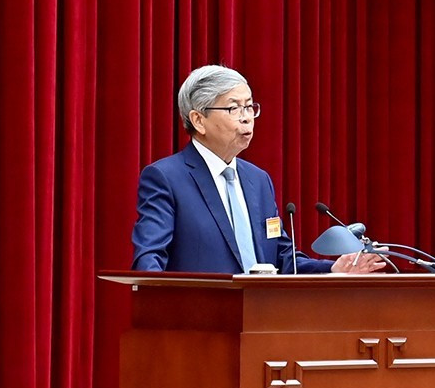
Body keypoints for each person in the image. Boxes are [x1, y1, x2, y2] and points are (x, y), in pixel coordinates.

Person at [131, 65, 385, 275]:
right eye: (233, 108)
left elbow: (282, 258)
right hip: (201, 318)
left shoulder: (258, 180)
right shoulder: (166, 178)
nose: (246, 117)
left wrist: (333, 269)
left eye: (250, 107)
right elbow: (149, 259)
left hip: (260, 316)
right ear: (198, 120)